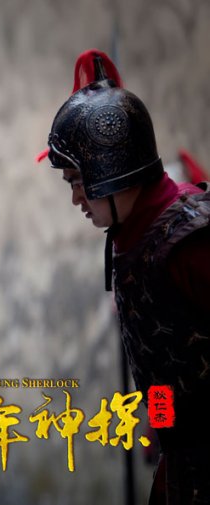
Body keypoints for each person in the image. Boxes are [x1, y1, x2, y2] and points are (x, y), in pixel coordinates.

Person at [44, 50, 210, 504]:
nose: (76, 198)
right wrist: (161, 429)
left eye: (78, 180)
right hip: (183, 470)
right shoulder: (133, 237)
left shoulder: (192, 242)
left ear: (110, 171)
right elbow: (160, 368)